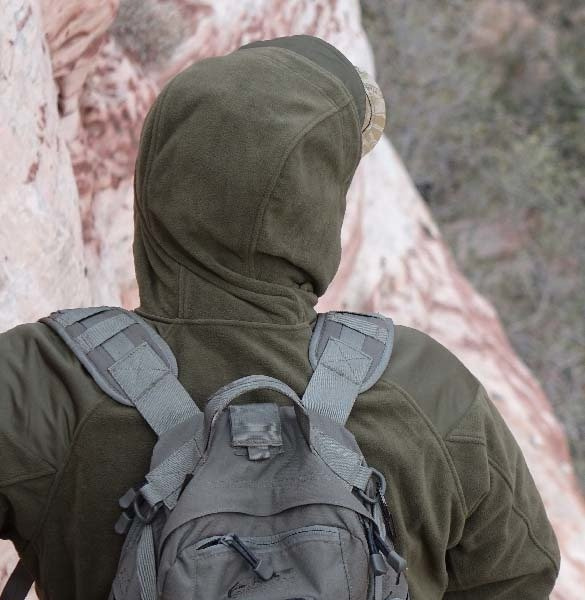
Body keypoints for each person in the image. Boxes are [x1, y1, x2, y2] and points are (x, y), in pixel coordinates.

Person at [0, 34, 559, 599]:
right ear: (320, 207)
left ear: (156, 185)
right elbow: (521, 573)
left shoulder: (44, 380)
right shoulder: (426, 388)